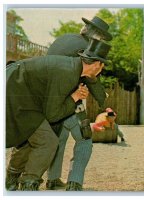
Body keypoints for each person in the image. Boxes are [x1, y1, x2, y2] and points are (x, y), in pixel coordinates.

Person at [5, 38, 111, 191]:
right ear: (96, 65)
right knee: (47, 141)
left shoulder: (73, 68)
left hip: (24, 94)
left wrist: (78, 92)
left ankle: (15, 181)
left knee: (35, 137)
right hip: (17, 92)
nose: (101, 70)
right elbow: (53, 114)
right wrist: (75, 97)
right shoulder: (68, 73)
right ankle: (28, 185)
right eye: (102, 65)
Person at [45, 16, 113, 191]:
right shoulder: (87, 49)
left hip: (47, 101)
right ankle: (74, 182)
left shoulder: (63, 39)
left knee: (60, 138)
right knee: (84, 139)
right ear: (97, 36)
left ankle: (52, 179)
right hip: (69, 102)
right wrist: (102, 98)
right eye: (102, 39)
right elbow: (91, 77)